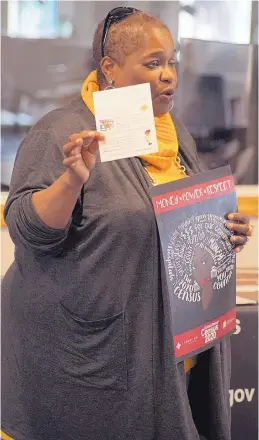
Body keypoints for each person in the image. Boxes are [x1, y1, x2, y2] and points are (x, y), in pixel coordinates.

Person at [1, 7, 253, 440]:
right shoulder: (61, 129)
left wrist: (220, 233)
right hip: (87, 359)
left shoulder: (175, 136)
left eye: (172, 62)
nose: (169, 75)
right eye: (153, 63)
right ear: (111, 69)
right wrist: (70, 181)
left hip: (166, 350)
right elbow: (29, 232)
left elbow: (166, 226)